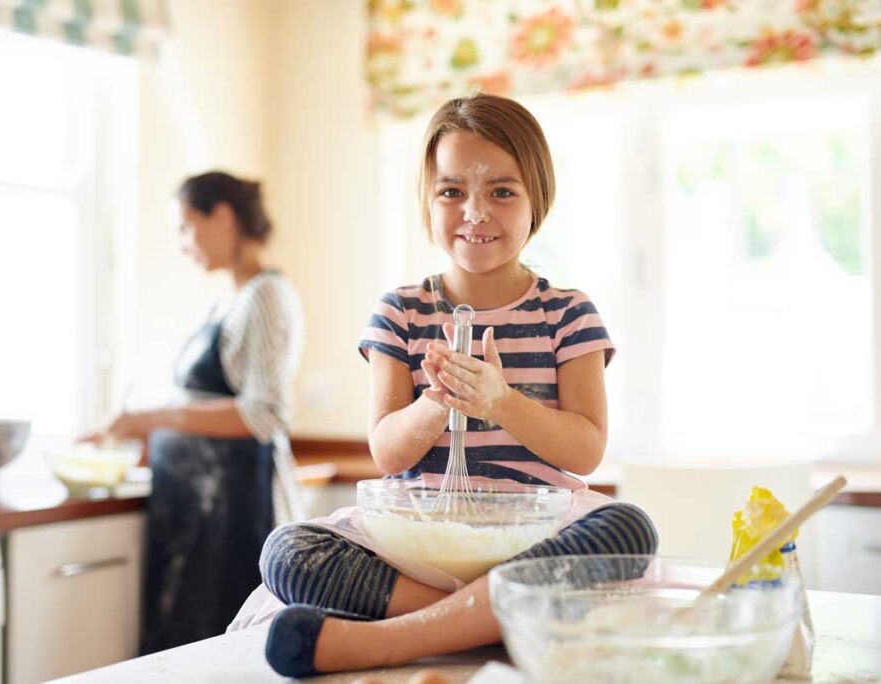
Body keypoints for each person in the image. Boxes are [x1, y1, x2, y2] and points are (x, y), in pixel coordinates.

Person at [255, 94, 658, 676]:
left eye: (501, 190)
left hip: (533, 538)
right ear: (428, 201)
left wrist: (501, 402)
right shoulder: (400, 312)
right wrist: (434, 405)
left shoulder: (568, 314)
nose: (474, 211)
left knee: (626, 528)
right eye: (451, 192)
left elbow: (585, 450)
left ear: (536, 199)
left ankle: (391, 641)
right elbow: (387, 452)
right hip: (418, 540)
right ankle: (493, 622)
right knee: (288, 551)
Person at [90, 171, 305, 652]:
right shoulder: (223, 301)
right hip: (199, 513)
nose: (184, 245)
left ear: (224, 216)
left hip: (238, 514)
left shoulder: (266, 295)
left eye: (187, 227)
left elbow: (263, 415)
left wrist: (152, 418)